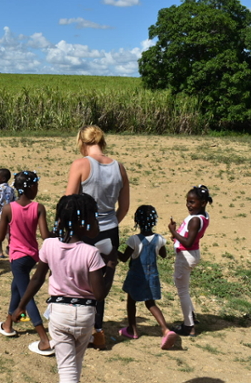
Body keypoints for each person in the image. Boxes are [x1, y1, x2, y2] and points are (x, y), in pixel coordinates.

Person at [12, 194, 113, 383]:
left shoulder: (49, 245)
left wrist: (21, 306)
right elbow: (99, 294)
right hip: (85, 316)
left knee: (66, 368)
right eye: (93, 217)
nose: (95, 221)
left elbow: (36, 279)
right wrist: (111, 268)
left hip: (59, 313)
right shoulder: (91, 253)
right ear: (83, 222)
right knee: (76, 364)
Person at [65, 125, 129, 350]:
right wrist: (109, 225)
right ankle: (98, 331)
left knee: (77, 280)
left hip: (85, 231)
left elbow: (69, 202)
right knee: (101, 283)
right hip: (110, 231)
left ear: (82, 142)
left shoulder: (80, 164)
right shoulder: (119, 168)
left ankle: (76, 329)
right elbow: (124, 207)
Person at [0, 171, 52, 355]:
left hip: (17, 257)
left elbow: (0, 236)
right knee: (17, 288)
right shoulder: (39, 208)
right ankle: (8, 324)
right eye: (37, 186)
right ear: (31, 188)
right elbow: (45, 236)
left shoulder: (9, 209)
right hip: (32, 257)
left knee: (27, 296)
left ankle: (44, 339)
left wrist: (3, 238)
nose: (37, 190)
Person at [118, 205, 177, 350]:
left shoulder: (134, 240)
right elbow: (163, 255)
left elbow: (124, 258)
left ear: (137, 221)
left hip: (136, 276)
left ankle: (133, 330)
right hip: (153, 276)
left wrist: (112, 249)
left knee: (131, 302)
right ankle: (165, 329)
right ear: (154, 221)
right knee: (150, 303)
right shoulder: (159, 239)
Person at [168, 185, 213, 337]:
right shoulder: (204, 216)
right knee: (184, 290)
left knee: (182, 292)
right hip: (193, 253)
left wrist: (173, 231)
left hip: (186, 256)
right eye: (188, 201)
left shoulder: (194, 220)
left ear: (203, 202)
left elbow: (187, 242)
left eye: (192, 202)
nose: (189, 205)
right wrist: (177, 236)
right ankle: (191, 316)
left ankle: (189, 326)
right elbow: (191, 237)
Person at [0, 168, 16, 258]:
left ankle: (0, 251)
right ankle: (9, 248)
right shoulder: (11, 190)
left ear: (3, 179)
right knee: (9, 233)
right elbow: (14, 201)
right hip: (9, 215)